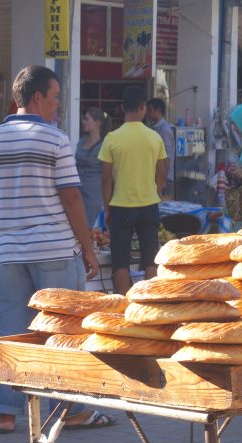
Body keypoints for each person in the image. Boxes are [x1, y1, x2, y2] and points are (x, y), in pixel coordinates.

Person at [0, 64, 107, 435]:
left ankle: (6, 413)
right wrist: (87, 249)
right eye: (56, 97)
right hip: (56, 251)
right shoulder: (55, 139)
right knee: (64, 332)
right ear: (37, 98)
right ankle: (70, 410)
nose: (58, 105)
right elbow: (71, 197)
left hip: (10, 252)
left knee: (10, 334)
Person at [99, 86, 168, 294]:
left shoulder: (112, 138)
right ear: (143, 108)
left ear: (122, 108)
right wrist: (155, 190)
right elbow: (163, 170)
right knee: (150, 256)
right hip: (148, 204)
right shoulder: (154, 137)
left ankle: (122, 303)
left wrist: (107, 206)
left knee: (120, 259)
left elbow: (105, 178)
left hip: (120, 205)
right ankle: (151, 302)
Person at [75, 106, 108, 230]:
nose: (83, 121)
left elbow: (109, 173)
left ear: (97, 122)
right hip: (79, 191)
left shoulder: (104, 145)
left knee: (94, 229)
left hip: (95, 193)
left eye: (87, 119)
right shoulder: (81, 142)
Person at [145, 98, 175, 196]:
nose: (147, 113)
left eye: (150, 110)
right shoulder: (154, 128)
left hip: (164, 178)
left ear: (158, 110)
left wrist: (163, 179)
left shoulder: (164, 129)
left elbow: (167, 155)